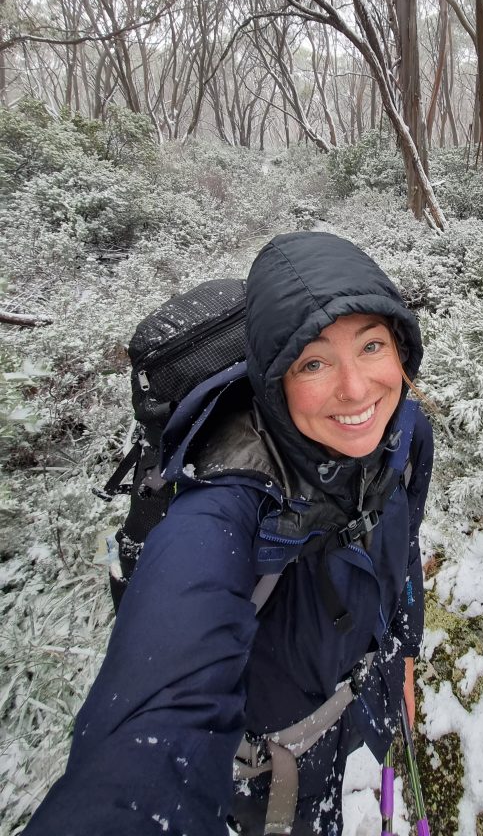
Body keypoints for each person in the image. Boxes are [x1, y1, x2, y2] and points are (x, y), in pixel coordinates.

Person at [22, 231, 433, 836]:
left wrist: (405, 653)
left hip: (364, 701)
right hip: (273, 773)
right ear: (273, 379)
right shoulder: (221, 511)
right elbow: (152, 730)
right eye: (314, 362)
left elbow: (405, 545)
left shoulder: (403, 430)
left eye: (372, 346)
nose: (356, 389)